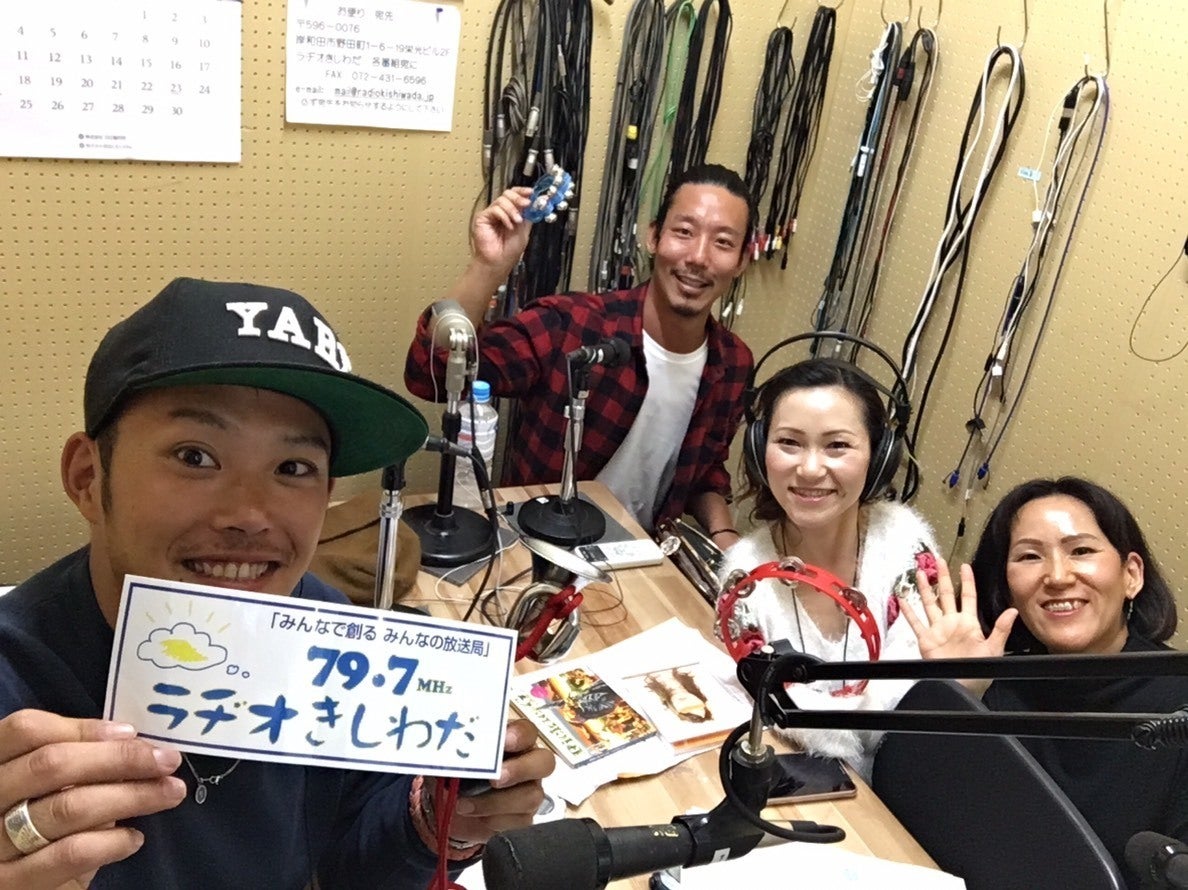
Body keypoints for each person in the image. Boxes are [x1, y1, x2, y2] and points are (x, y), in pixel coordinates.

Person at [0, 278, 553, 890]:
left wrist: (437, 820)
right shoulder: (14, 685)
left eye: (293, 467)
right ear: (87, 477)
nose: (249, 514)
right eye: (194, 456)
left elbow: (346, 861)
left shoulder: (323, 633)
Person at [404, 164, 756, 539]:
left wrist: (725, 536)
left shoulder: (733, 362)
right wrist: (488, 266)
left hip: (644, 555)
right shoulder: (573, 324)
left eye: (723, 242)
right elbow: (431, 374)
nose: (699, 257)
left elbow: (705, 472)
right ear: (653, 237)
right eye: (684, 232)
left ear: (742, 260)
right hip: (537, 544)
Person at [903, 476, 1187, 884]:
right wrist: (957, 694)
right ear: (1007, 587)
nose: (1057, 576)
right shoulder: (995, 689)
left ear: (1132, 575)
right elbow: (922, 821)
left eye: (1081, 551)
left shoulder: (1179, 700)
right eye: (1030, 556)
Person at [718, 358, 937, 779]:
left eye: (837, 446)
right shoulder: (744, 582)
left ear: (879, 456)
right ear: (760, 450)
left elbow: (914, 707)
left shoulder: (908, 553)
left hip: (908, 779)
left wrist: (959, 685)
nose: (810, 469)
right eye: (789, 442)